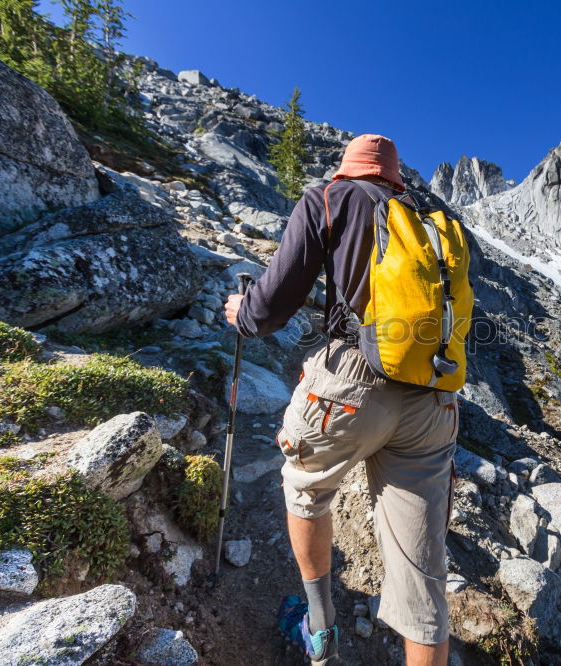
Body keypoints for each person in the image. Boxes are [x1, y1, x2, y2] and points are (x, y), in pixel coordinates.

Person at [225, 134, 457, 666]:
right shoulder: (429, 221)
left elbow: (272, 305)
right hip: (434, 399)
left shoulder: (331, 198)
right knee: (422, 575)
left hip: (353, 381)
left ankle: (321, 628)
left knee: (305, 490)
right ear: (395, 177)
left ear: (346, 170)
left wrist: (242, 311)